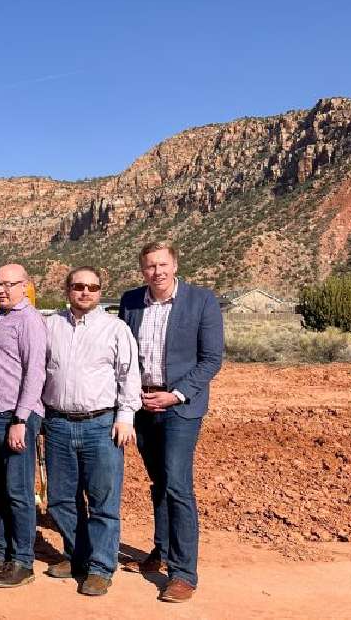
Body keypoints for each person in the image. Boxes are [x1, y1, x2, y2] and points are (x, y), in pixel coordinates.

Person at [118, 241, 224, 603]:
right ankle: (160, 552)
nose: (157, 272)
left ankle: (183, 574)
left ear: (175, 265)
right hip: (143, 406)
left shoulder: (201, 301)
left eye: (162, 265)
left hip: (180, 406)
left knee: (178, 484)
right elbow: (123, 354)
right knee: (159, 482)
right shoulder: (131, 301)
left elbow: (211, 360)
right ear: (142, 270)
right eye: (150, 266)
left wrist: (176, 394)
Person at [42, 267, 141, 596]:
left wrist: (125, 417)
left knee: (102, 501)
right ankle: (78, 555)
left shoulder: (115, 329)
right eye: (78, 286)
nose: (85, 292)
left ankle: (100, 567)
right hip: (57, 423)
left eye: (92, 287)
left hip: (101, 425)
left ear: (100, 292)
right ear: (67, 289)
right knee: (60, 500)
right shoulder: (50, 325)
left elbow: (129, 376)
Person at [0, 263, 47, 588]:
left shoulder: (29, 321)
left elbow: (35, 373)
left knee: (18, 491)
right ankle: (4, 552)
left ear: (25, 286)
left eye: (10, 284)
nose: (2, 289)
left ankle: (23, 561)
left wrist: (21, 419)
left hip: (15, 416)